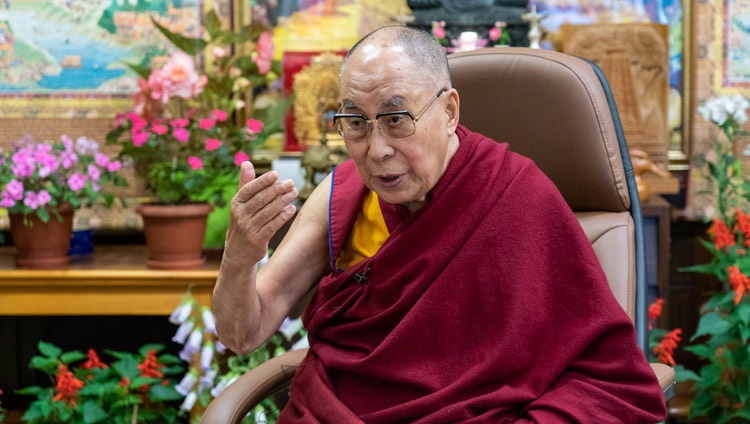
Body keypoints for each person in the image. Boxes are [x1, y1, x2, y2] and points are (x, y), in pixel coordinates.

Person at [212, 25, 668, 422]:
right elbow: (242, 334)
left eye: (396, 120)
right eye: (355, 122)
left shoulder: (518, 195)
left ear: (449, 111)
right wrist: (239, 257)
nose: (377, 150)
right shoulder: (345, 194)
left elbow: (604, 375)